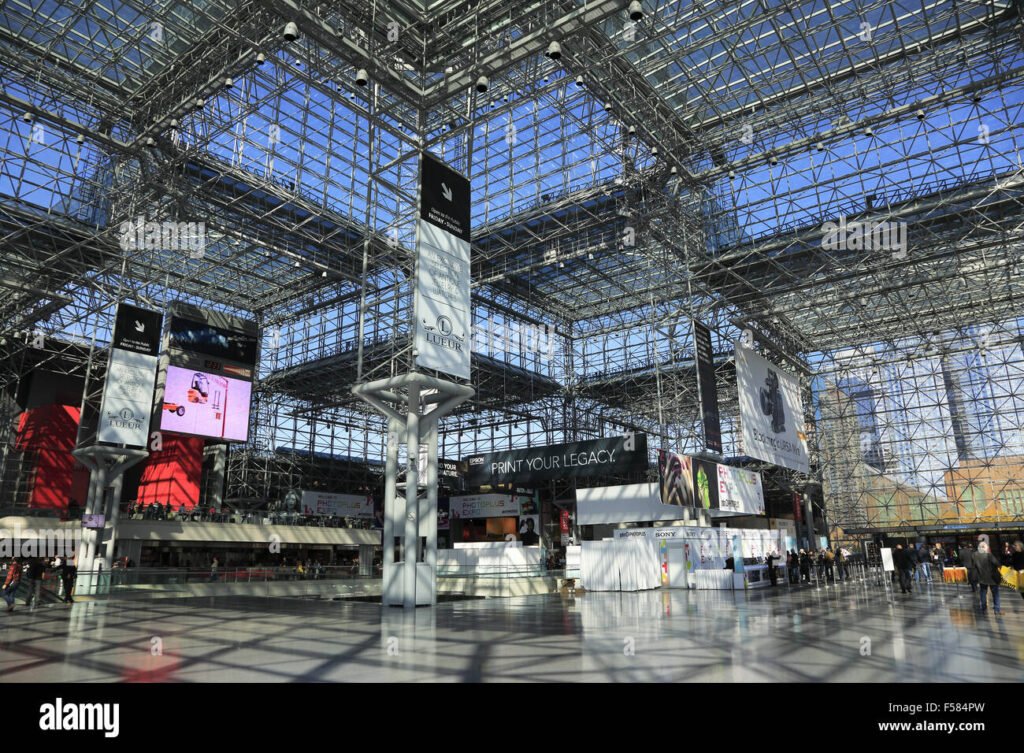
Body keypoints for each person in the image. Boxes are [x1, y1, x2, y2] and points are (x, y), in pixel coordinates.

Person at [973, 541, 1002, 614]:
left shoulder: (974, 555)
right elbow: (997, 564)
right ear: (984, 547)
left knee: (983, 593)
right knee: (995, 594)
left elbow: (974, 566)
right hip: (992, 578)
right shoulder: (989, 555)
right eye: (987, 547)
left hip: (982, 578)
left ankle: (983, 608)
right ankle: (997, 609)